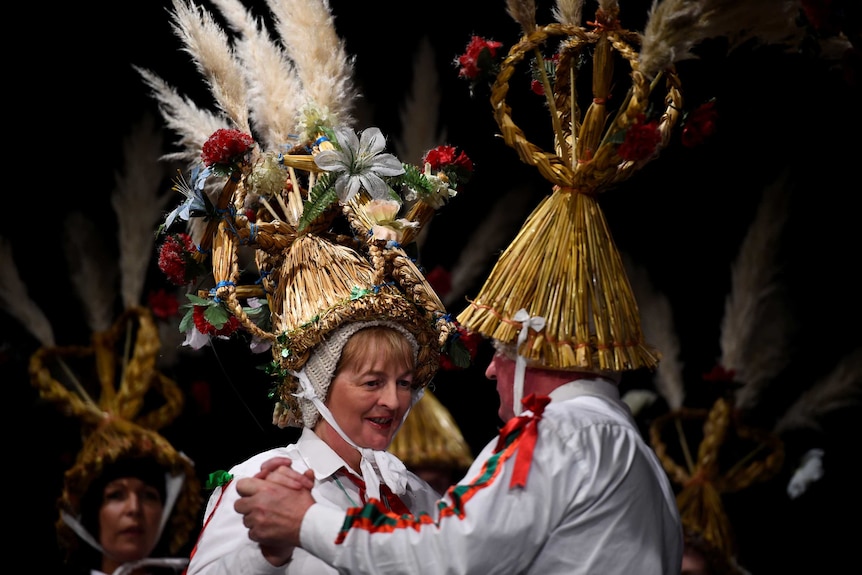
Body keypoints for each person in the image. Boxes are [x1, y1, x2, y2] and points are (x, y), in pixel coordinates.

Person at [228, 1, 712, 572]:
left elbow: (445, 556)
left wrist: (303, 519)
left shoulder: (557, 438)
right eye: (372, 379)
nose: (490, 368)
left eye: (502, 350)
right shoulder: (632, 450)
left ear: (535, 344)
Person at [141, 2, 475, 573]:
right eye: (372, 380)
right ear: (317, 383)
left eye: (402, 380)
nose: (394, 401)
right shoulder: (260, 485)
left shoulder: (415, 495)